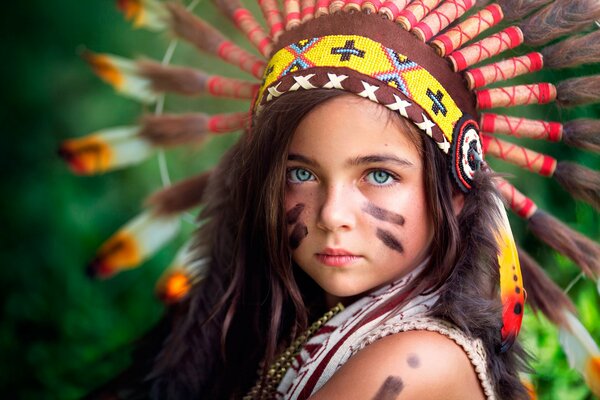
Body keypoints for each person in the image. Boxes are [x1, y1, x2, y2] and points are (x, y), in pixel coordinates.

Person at [66, 0, 600, 399]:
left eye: (379, 176)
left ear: (457, 193)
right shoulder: (298, 317)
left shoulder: (420, 361)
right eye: (301, 172)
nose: (331, 216)